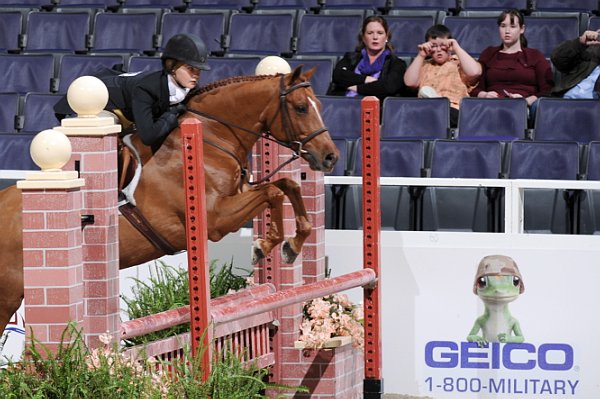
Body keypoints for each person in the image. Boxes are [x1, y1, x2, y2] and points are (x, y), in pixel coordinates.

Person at [54, 33, 210, 151]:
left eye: (199, 70)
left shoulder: (188, 86)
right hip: (107, 105)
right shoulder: (147, 88)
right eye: (190, 69)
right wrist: (171, 115)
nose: (196, 75)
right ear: (172, 66)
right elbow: (148, 136)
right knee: (102, 136)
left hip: (131, 112)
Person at [470, 8, 553, 121]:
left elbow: (547, 91)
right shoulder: (489, 54)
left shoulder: (535, 56)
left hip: (523, 107)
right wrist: (485, 95)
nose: (507, 31)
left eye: (512, 26)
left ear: (522, 29)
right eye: (503, 26)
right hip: (491, 106)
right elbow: (474, 88)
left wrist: (526, 101)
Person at [403, 24, 481, 127]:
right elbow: (409, 82)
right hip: (425, 111)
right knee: (405, 115)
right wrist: (421, 55)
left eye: (442, 45)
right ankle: (435, 103)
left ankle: (438, 103)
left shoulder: (459, 63)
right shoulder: (424, 65)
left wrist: (457, 48)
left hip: (453, 112)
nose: (439, 50)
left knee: (441, 113)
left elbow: (475, 72)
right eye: (434, 46)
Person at [326, 15, 407, 101]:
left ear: (386, 37)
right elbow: (338, 75)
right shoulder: (351, 58)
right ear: (363, 38)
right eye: (370, 33)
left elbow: (388, 87)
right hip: (344, 106)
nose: (375, 37)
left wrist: (357, 88)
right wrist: (367, 79)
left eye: (380, 33)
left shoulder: (396, 63)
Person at [550, 29, 600, 98]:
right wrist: (578, 43)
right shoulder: (592, 49)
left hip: (594, 105)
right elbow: (558, 59)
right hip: (567, 101)